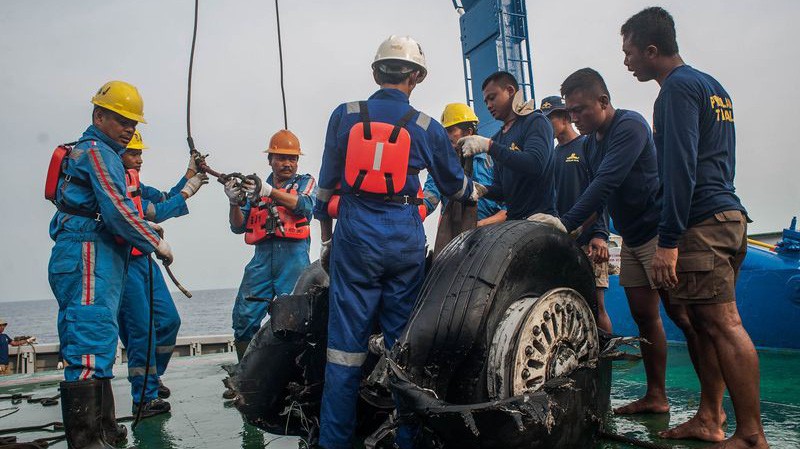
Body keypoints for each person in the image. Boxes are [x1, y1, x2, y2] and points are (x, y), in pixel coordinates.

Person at [314, 35, 479, 449]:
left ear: (376, 73)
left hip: (354, 237)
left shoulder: (344, 115)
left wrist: (327, 235)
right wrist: (475, 191)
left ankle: (335, 442)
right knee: (405, 350)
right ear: (416, 77)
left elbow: (326, 184)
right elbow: (455, 187)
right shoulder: (427, 127)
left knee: (343, 353)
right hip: (403, 239)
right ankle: (409, 440)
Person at [622, 7, 768, 448]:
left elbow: (680, 167)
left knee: (722, 324)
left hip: (702, 222)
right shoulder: (712, 86)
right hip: (727, 215)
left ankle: (750, 434)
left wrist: (668, 241)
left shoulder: (675, 90)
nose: (626, 62)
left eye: (629, 53)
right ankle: (709, 417)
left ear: (651, 50)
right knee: (704, 324)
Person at [558, 68, 698, 415]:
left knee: (683, 315)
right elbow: (599, 199)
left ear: (603, 101)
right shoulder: (590, 144)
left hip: (657, 233)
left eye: (580, 109)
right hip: (632, 237)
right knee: (644, 316)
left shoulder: (630, 126)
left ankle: (712, 405)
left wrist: (564, 224)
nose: (574, 118)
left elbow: (606, 182)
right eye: (570, 111)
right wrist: (580, 231)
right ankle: (656, 396)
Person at [47, 80, 172, 448]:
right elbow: (117, 211)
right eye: (121, 120)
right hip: (88, 252)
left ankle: (104, 430)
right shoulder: (99, 153)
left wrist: (144, 227)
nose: (129, 129)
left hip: (93, 251)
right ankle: (88, 440)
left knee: (99, 340)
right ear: (98, 116)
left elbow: (110, 208)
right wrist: (155, 242)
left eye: (133, 122)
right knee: (89, 341)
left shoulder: (97, 152)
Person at [117, 131, 207, 416]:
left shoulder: (135, 183)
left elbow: (164, 198)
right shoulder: (113, 185)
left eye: (141, 153)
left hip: (144, 261)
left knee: (168, 321)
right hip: (123, 264)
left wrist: (189, 174)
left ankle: (153, 378)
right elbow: (156, 211)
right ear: (118, 154)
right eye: (134, 153)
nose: (140, 159)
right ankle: (143, 398)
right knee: (140, 331)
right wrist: (188, 191)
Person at [225, 129, 317, 360]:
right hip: (262, 260)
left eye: (292, 158)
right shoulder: (254, 189)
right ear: (270, 160)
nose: (288, 163)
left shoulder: (305, 182)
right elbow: (238, 226)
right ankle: (244, 370)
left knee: (295, 320)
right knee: (244, 317)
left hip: (293, 261)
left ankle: (294, 371)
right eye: (282, 158)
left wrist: (269, 192)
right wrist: (234, 203)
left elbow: (305, 205)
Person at [540, 95, 612, 333]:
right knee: (568, 305)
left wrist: (599, 234)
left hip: (590, 241)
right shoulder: (552, 155)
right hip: (564, 241)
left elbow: (602, 192)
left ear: (564, 117)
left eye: (549, 119)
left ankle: (605, 353)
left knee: (596, 307)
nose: (546, 125)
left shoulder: (587, 146)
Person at [457, 71, 558, 224]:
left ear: (510, 91)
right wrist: (483, 189)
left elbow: (536, 164)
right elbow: (503, 191)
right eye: (486, 102)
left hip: (541, 219)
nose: (489, 105)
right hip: (514, 222)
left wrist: (490, 146)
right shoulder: (498, 138)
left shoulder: (535, 122)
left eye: (492, 98)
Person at [423, 103, 506, 226]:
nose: (446, 136)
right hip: (458, 232)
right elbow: (430, 196)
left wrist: (481, 224)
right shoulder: (442, 163)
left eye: (451, 130)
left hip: (495, 231)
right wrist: (415, 209)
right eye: (444, 131)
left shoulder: (492, 159)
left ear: (468, 132)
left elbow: (509, 204)